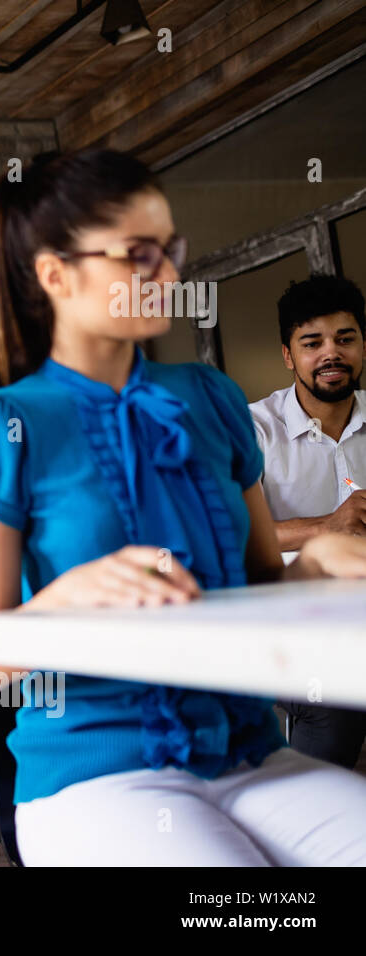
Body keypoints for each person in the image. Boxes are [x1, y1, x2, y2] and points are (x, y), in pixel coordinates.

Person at [0, 147, 366, 866]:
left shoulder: (210, 398)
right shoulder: (5, 422)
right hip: (95, 775)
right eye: (139, 255)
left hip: (247, 752)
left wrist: (318, 565)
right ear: (56, 274)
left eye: (169, 250)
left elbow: (258, 591)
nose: (170, 276)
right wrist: (67, 596)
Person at [249, 274, 366, 769]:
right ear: (287, 355)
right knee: (330, 736)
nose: (330, 354)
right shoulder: (253, 429)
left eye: (345, 339)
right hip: (297, 625)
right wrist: (329, 526)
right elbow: (236, 535)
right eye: (312, 342)